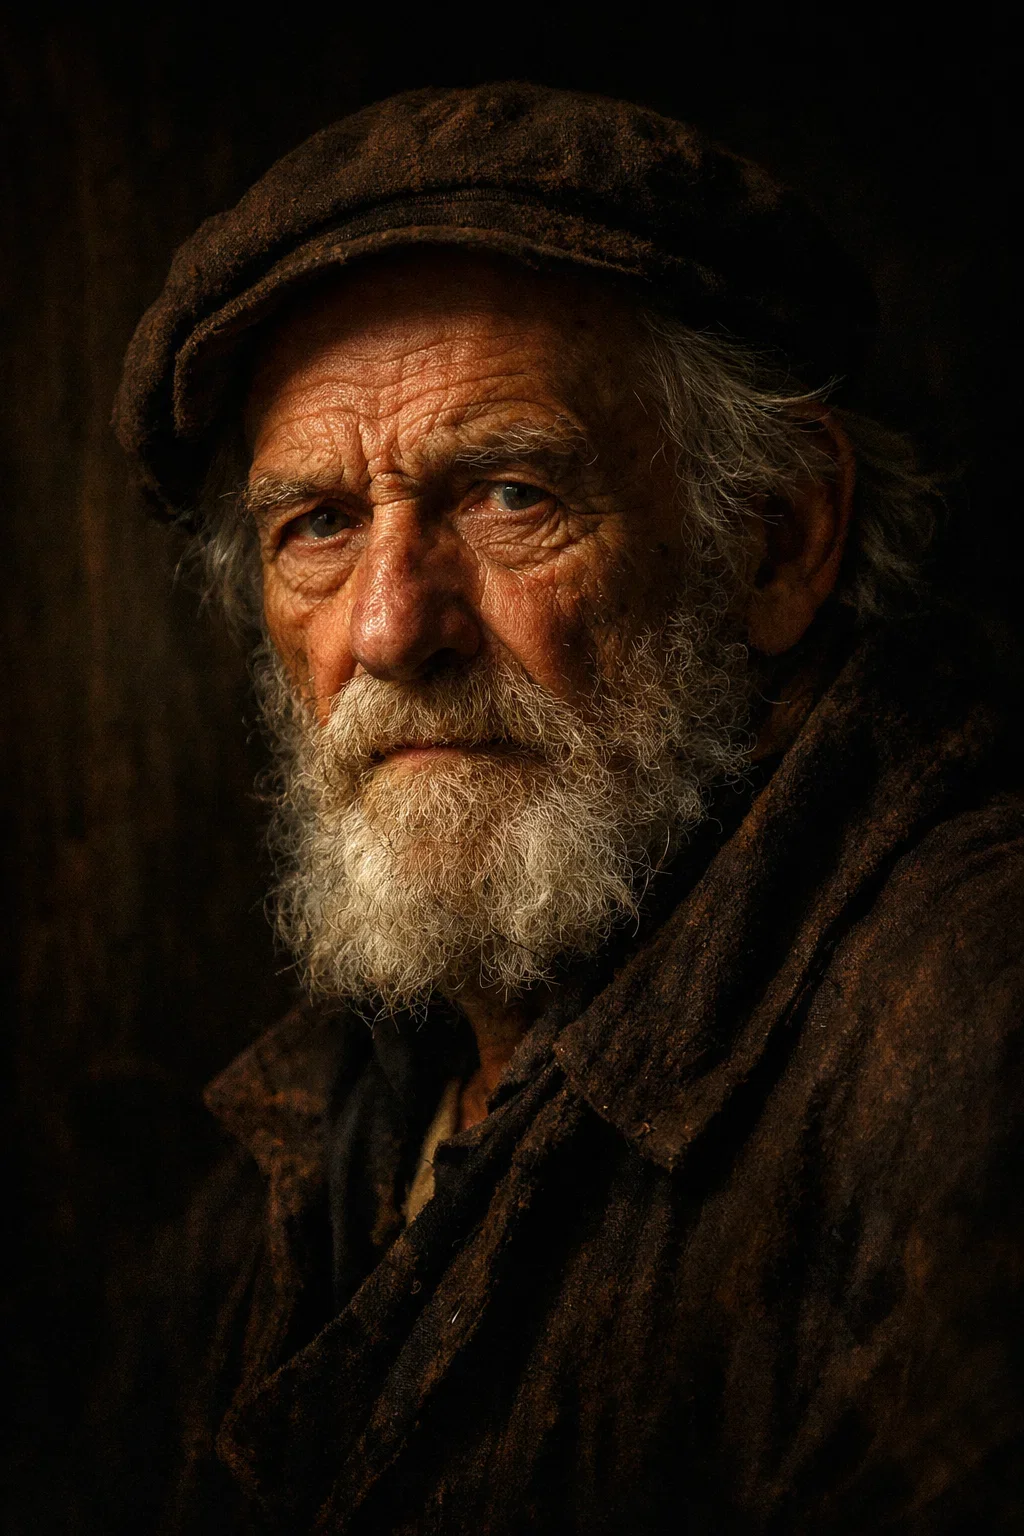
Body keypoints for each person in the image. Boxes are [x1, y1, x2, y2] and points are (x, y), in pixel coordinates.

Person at [108, 82, 1023, 1533]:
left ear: (778, 540)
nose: (393, 629)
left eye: (511, 492)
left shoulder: (974, 1018)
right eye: (319, 528)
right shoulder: (312, 1143)